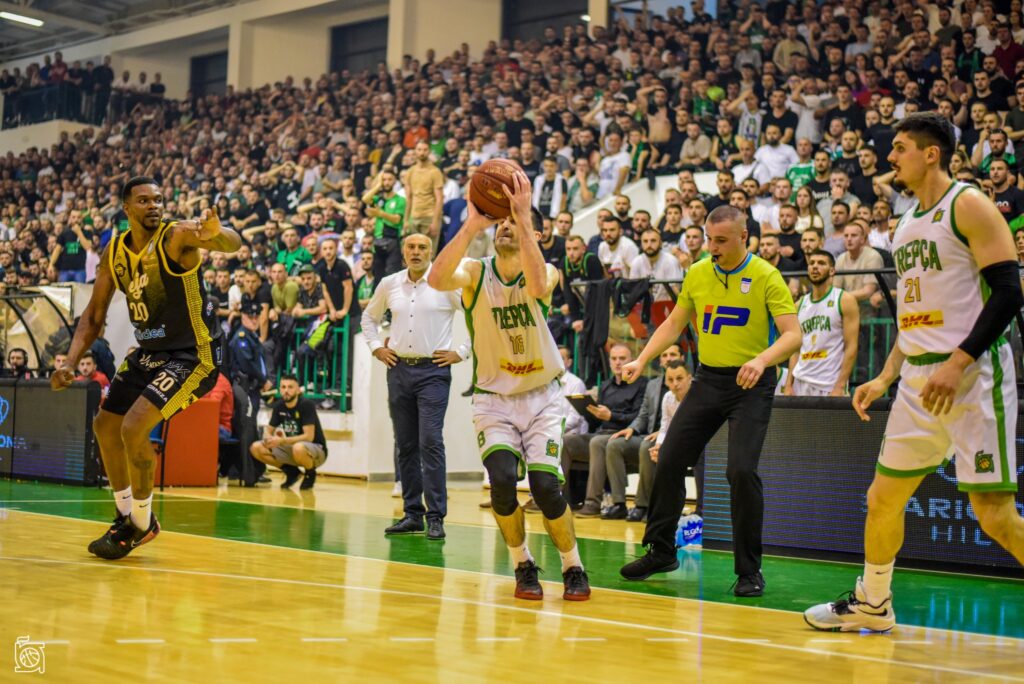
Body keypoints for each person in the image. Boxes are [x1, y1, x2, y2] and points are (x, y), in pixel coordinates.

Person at [806, 113, 1024, 632]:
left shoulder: (968, 204)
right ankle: (874, 604)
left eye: (899, 147)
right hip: (917, 381)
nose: (890, 157)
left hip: (973, 377)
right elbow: (913, 315)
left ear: (931, 153)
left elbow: (1009, 292)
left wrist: (959, 360)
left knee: (993, 515)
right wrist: (885, 376)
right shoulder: (904, 226)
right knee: (882, 498)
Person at [50, 176, 239, 559]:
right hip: (150, 350)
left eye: (158, 199)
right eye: (144, 200)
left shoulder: (177, 237)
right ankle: (125, 516)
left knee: (135, 426)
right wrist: (69, 362)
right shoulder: (115, 250)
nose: (154, 205)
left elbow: (227, 243)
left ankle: (141, 523)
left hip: (193, 354)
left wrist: (221, 234)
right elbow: (94, 314)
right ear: (126, 208)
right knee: (104, 425)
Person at [618, 205, 801, 597]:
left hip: (752, 383)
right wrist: (642, 358)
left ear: (743, 237)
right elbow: (673, 323)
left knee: (740, 471)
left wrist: (762, 358)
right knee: (668, 457)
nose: (712, 247)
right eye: (708, 238)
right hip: (709, 379)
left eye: (721, 240)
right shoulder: (698, 273)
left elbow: (792, 335)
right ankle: (662, 551)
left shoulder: (767, 276)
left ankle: (750, 570)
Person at [428, 172, 591, 601]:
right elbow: (435, 279)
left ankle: (572, 565)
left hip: (541, 397)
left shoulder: (546, 270)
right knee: (501, 480)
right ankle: (522, 562)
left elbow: (537, 287)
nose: (505, 227)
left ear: (534, 233)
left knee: (545, 488)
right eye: (501, 223)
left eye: (513, 224)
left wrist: (522, 217)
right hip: (494, 398)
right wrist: (472, 225)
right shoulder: (475, 273)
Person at [361, 234, 467, 540]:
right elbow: (369, 319)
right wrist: (375, 347)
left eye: (422, 247)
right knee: (405, 444)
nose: (416, 252)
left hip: (433, 372)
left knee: (430, 441)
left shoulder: (446, 282)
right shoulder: (389, 283)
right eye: (411, 247)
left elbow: (478, 318)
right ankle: (412, 514)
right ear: (404, 252)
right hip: (398, 370)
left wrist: (461, 352)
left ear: (431, 252)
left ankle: (436, 516)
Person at [784, 250, 859, 397]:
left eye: (821, 263)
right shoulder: (799, 305)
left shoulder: (844, 300)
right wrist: (788, 384)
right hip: (801, 380)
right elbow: (796, 349)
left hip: (830, 383)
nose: (815, 267)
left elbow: (852, 346)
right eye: (811, 263)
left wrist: (840, 385)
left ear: (832, 271)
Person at [634, 359, 694, 523]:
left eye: (679, 378)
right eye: (670, 380)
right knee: (655, 452)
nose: (675, 384)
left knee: (669, 456)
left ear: (690, 378)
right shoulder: (668, 397)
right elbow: (665, 425)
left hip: (697, 443)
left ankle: (699, 511)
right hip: (676, 443)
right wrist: (659, 445)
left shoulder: (697, 396)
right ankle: (660, 510)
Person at [250, 374, 327, 490]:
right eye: (283, 387)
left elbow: (309, 437)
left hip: (316, 450)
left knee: (298, 448)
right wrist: (268, 438)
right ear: (280, 389)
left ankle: (310, 474)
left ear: (298, 390)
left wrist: (282, 441)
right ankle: (291, 472)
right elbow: (268, 429)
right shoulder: (279, 406)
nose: (286, 391)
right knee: (256, 447)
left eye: (290, 387)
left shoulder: (306, 405)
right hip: (292, 447)